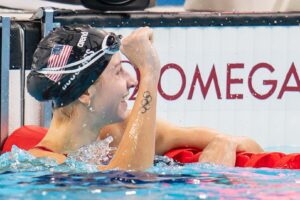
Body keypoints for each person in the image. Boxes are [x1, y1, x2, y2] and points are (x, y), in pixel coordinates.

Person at [27, 24, 263, 170]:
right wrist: (149, 73)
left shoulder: (119, 132)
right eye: (119, 71)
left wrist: (227, 143)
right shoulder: (39, 165)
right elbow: (131, 182)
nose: (131, 81)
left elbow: (253, 148)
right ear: (86, 93)